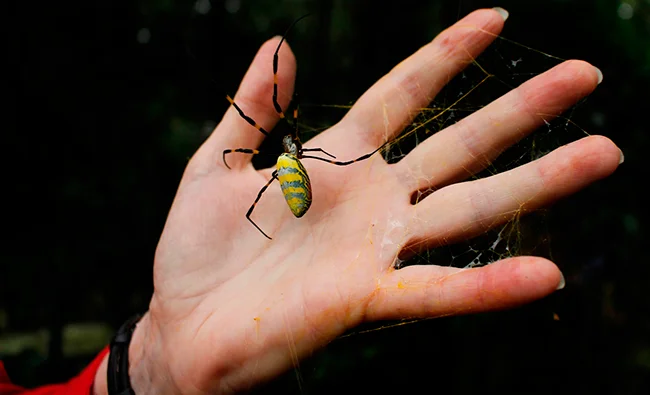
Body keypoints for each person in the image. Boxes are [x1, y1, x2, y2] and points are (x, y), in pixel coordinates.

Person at [0, 7, 622, 394]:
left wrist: (151, 373)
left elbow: (313, 163)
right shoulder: (294, 165)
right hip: (291, 183)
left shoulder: (293, 164)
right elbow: (304, 165)